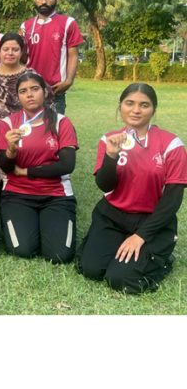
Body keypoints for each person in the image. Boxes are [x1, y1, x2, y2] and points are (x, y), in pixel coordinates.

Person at [78, 83, 187, 293]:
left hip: (152, 220)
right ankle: (109, 242)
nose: (136, 110)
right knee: (91, 269)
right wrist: (111, 155)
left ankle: (163, 257)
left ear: (153, 109)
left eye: (144, 105)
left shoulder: (171, 144)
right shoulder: (108, 139)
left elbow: (172, 200)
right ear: (120, 106)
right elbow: (104, 185)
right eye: (130, 103)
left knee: (120, 279)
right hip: (112, 216)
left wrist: (141, 236)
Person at [0, 72, 79, 263]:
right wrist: (10, 149)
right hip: (18, 194)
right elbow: (7, 168)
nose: (29, 95)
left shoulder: (61, 122)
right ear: (18, 97)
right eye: (23, 91)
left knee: (60, 256)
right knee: (22, 250)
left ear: (45, 92)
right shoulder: (8, 124)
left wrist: (27, 171)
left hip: (56, 195)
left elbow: (67, 165)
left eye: (34, 89)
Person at [19, 0, 83, 114]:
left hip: (55, 91)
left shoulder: (68, 23)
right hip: (30, 90)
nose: (43, 1)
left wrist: (69, 81)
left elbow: (73, 55)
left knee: (53, 133)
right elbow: (21, 60)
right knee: (29, 132)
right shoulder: (25, 26)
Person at [0, 32, 53, 120]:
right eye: (6, 49)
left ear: (21, 52)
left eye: (15, 50)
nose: (10, 53)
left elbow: (47, 103)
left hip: (30, 127)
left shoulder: (32, 76)